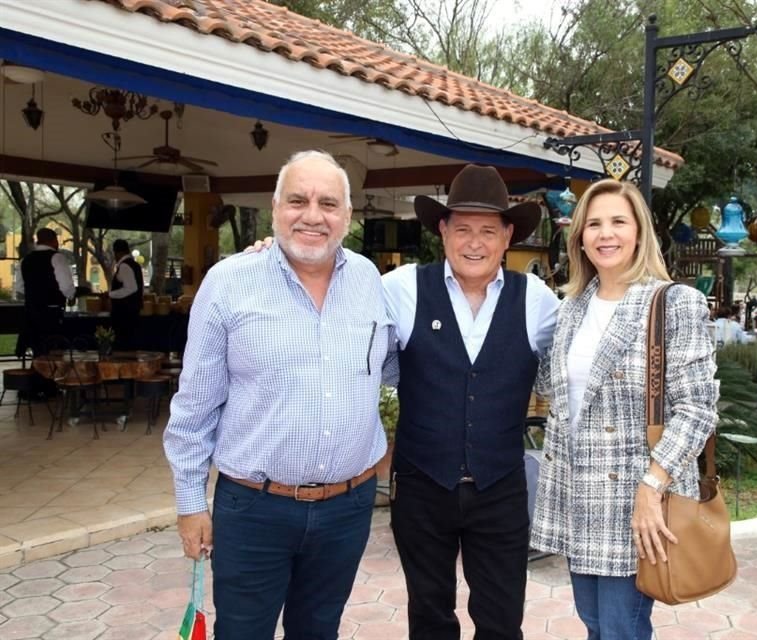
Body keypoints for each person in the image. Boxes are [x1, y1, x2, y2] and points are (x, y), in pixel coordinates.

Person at [163, 150, 396, 640]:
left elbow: (391, 366)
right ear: (275, 208)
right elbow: (193, 408)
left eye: (329, 203)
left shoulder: (371, 283)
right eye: (298, 200)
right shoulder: (229, 284)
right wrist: (190, 503)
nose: (313, 215)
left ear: (348, 217)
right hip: (254, 510)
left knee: (320, 631)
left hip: (347, 507)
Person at [530, 179, 718, 639]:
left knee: (621, 629)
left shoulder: (673, 303)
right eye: (593, 224)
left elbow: (697, 408)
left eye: (618, 221)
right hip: (578, 496)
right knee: (595, 624)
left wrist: (651, 487)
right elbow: (551, 388)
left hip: (637, 499)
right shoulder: (572, 306)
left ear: (639, 231)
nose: (605, 234)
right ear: (579, 237)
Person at [383, 164, 560, 640]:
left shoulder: (537, 300)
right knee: (429, 616)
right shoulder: (399, 290)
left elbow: (583, 349)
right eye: (462, 229)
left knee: (502, 622)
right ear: (442, 230)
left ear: (507, 237)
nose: (474, 243)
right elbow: (338, 309)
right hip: (421, 484)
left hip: (500, 487)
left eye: (487, 230)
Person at [20, 228, 75, 356]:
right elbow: (66, 286)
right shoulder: (57, 258)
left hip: (32, 314)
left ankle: (38, 374)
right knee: (53, 352)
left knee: (38, 351)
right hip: (51, 313)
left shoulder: (25, 260)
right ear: (54, 241)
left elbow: (20, 287)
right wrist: (71, 296)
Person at [107, 239, 144, 351]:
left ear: (117, 252)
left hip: (124, 313)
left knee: (123, 344)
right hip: (132, 311)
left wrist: (111, 294)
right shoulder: (135, 265)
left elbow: (131, 288)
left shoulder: (124, 266)